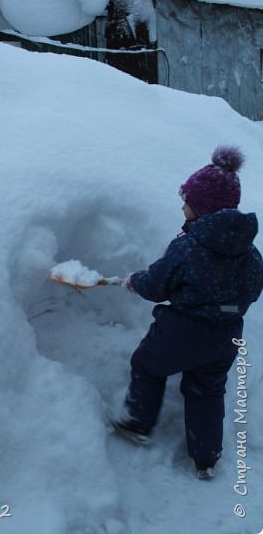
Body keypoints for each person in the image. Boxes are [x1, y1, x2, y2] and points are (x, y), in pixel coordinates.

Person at [112, 146, 263, 479]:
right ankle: (206, 457)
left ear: (204, 209)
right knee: (207, 391)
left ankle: (138, 422)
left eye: (187, 201)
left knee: (147, 367)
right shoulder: (250, 254)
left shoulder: (187, 247)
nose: (182, 206)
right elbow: (252, 291)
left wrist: (136, 281)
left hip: (181, 333)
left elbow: (157, 286)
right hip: (225, 337)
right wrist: (224, 308)